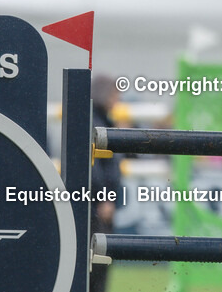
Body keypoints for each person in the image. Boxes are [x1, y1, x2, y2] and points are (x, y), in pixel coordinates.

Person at [90, 75, 123, 292]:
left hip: (96, 203)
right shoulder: (95, 123)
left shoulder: (101, 120)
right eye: (113, 95)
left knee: (98, 262)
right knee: (98, 262)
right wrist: (105, 198)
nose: (116, 101)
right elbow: (93, 168)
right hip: (97, 205)